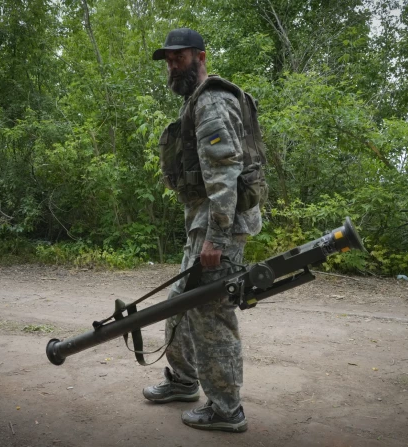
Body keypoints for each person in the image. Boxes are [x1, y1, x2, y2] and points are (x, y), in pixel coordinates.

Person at [143, 28, 262, 433]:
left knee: (212, 316)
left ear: (201, 57)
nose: (173, 65)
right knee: (180, 302)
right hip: (204, 225)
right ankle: (182, 380)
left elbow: (224, 175)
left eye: (180, 58)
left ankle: (227, 409)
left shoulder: (211, 102)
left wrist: (217, 237)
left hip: (218, 228)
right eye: (169, 60)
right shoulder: (196, 102)